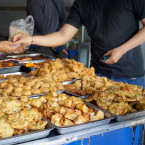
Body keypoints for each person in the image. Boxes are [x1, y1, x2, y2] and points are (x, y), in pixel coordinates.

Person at [14, 0, 145, 88]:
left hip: (131, 77)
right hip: (97, 76)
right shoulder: (82, 3)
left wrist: (122, 50)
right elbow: (63, 35)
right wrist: (31, 39)